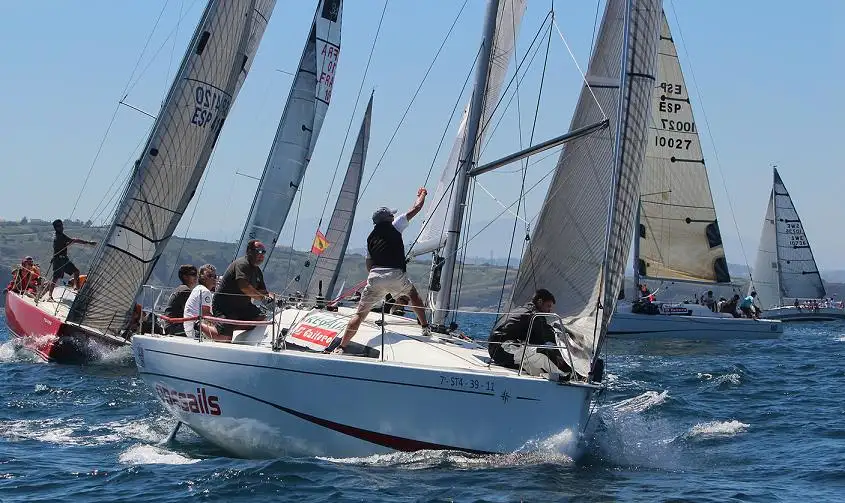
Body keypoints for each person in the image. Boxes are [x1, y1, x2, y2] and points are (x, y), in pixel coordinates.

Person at [332, 188, 430, 354]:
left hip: (375, 276)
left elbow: (369, 265)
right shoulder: (396, 225)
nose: (393, 216)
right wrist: (422, 194)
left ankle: (342, 346)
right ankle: (425, 327)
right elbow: (416, 208)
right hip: (395, 274)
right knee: (413, 295)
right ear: (388, 218)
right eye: (391, 214)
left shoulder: (370, 238)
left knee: (360, 315)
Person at [488, 289, 572, 377]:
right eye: (548, 306)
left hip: (496, 348)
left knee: (537, 355)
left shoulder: (523, 310)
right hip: (502, 350)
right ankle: (567, 376)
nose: (549, 310)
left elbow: (541, 334)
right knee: (543, 352)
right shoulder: (534, 315)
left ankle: (555, 374)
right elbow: (541, 339)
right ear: (540, 302)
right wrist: (559, 351)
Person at [212, 239, 272, 337]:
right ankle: (200, 325)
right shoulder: (242, 264)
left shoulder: (257, 271)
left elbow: (263, 291)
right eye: (259, 251)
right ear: (249, 251)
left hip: (242, 307)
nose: (262, 255)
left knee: (261, 318)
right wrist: (263, 299)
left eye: (264, 252)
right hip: (224, 306)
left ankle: (233, 328)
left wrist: (273, 298)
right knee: (224, 338)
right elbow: (244, 287)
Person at [41, 219, 96, 301]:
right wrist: (88, 242)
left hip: (64, 260)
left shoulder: (60, 235)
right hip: (58, 260)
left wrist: (70, 242)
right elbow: (74, 240)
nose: (62, 227)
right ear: (56, 228)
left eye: (62, 225)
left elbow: (69, 242)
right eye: (60, 226)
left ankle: (76, 289)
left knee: (76, 271)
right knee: (55, 278)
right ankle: (49, 296)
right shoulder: (59, 236)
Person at [184, 264, 221, 340]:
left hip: (190, 328)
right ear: (202, 278)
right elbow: (206, 314)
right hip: (197, 330)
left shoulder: (198, 289)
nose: (213, 278)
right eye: (210, 276)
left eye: (214, 276)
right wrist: (220, 322)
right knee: (226, 337)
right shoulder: (205, 291)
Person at [163, 265, 198, 335]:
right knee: (201, 332)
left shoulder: (181, 289)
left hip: (171, 326)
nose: (196, 277)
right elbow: (191, 312)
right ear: (185, 277)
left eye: (197, 275)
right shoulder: (185, 290)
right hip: (174, 328)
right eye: (193, 274)